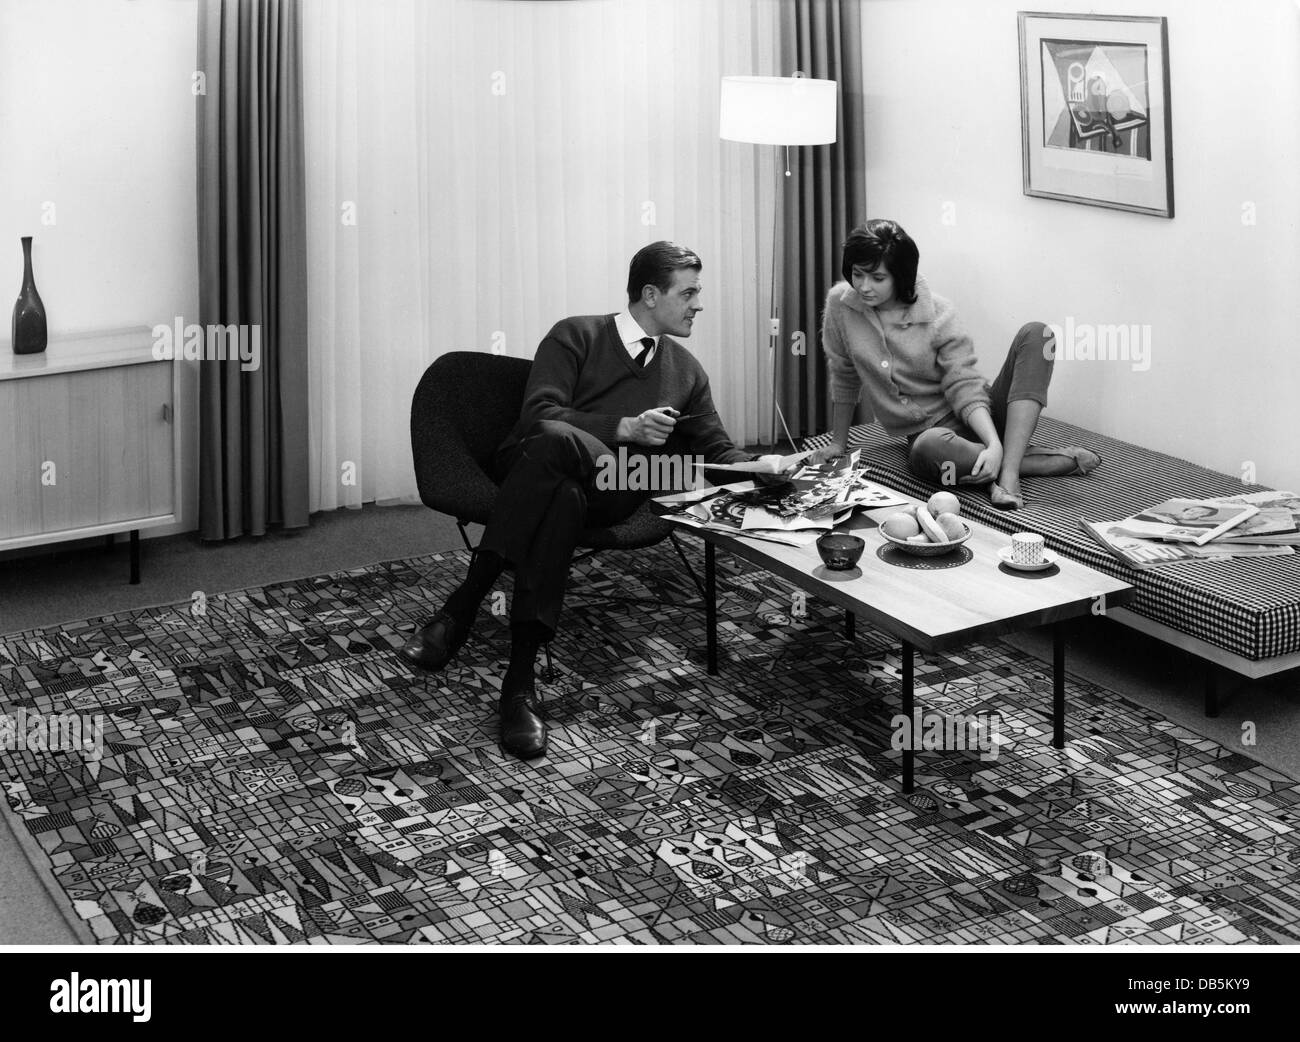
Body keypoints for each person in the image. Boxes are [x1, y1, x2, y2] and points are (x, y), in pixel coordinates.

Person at [399, 242, 768, 760]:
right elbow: (537, 414)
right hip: (536, 465)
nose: (697, 304)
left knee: (564, 469)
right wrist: (626, 427)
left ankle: (461, 606)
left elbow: (717, 449)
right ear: (649, 294)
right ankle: (519, 682)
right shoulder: (575, 333)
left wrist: (766, 465)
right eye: (688, 293)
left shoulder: (685, 369)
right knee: (557, 470)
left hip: (617, 485)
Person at [807, 220, 1100, 509]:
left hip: (982, 416)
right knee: (926, 450)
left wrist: (993, 443)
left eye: (877, 278)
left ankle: (1008, 471)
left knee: (1038, 334)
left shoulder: (938, 312)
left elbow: (965, 387)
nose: (864, 286)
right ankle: (1034, 460)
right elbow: (844, 372)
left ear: (901, 275)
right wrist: (838, 443)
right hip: (932, 437)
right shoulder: (841, 304)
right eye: (857, 274)